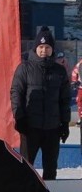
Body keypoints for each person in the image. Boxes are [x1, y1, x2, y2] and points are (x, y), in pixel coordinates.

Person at [10, 26, 71, 181]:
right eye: (41, 47)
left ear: (52, 50)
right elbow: (16, 94)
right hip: (30, 128)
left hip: (52, 129)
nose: (44, 50)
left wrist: (64, 123)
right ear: (36, 48)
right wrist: (20, 118)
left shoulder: (59, 71)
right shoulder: (24, 68)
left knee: (50, 168)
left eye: (48, 47)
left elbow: (65, 100)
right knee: (25, 168)